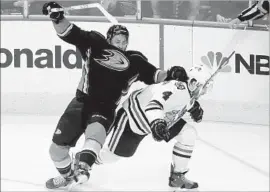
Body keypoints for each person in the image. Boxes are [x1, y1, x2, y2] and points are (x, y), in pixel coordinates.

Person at [42, 1, 186, 190]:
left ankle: (84, 166)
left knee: (95, 135)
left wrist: (173, 73)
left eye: (125, 41)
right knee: (56, 151)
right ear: (109, 39)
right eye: (118, 41)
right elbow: (69, 32)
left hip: (105, 108)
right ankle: (68, 176)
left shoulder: (135, 60)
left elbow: (156, 76)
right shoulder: (94, 43)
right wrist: (57, 17)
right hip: (81, 102)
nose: (122, 45)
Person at [97, 64, 213, 190]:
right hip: (133, 118)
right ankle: (85, 161)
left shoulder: (187, 92)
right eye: (204, 86)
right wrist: (158, 123)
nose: (206, 91)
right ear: (193, 83)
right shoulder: (175, 88)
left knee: (188, 134)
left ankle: (177, 176)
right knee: (111, 157)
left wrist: (193, 107)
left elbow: (180, 102)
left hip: (154, 119)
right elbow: (154, 105)